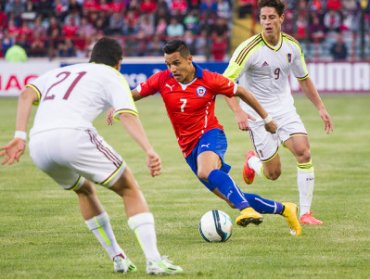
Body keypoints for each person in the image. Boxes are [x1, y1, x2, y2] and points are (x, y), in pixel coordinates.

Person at [0, 37, 182, 275]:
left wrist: (20, 136)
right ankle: (154, 260)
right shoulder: (112, 75)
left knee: (83, 189)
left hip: (39, 143)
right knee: (130, 189)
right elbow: (126, 114)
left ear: (91, 57)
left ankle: (118, 258)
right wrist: (149, 150)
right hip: (73, 135)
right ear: (119, 62)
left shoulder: (61, 72)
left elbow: (25, 94)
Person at [122, 39, 302, 236]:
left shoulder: (209, 79)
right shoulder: (161, 79)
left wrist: (266, 118)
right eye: (168, 64)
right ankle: (285, 209)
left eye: (176, 63)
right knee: (230, 197)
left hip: (211, 134)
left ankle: (246, 209)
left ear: (189, 59)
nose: (172, 69)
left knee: (206, 171)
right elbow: (133, 94)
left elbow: (241, 91)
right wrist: (117, 103)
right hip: (188, 148)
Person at [223, 0, 334, 225]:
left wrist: (321, 108)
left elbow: (303, 79)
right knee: (273, 174)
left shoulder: (291, 46)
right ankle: (253, 162)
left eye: (271, 17)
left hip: (284, 109)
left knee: (304, 152)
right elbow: (225, 84)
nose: (267, 22)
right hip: (256, 114)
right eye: (263, 18)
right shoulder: (248, 49)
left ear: (281, 18)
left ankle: (305, 213)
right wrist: (238, 112)